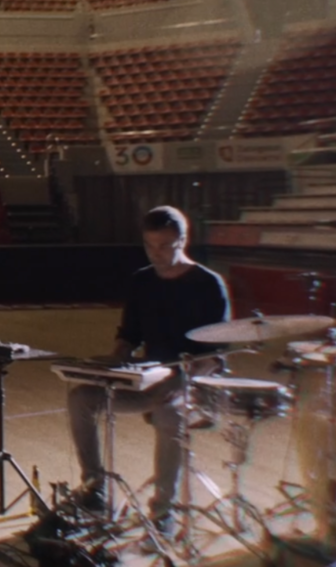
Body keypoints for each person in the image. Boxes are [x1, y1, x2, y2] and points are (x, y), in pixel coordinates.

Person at [65, 205, 231, 533]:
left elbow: (217, 356)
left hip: (197, 386)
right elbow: (129, 336)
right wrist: (112, 364)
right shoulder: (141, 281)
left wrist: (183, 382)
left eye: (165, 245)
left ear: (183, 240)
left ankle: (163, 512)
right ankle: (94, 488)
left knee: (170, 413)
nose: (156, 253)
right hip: (150, 380)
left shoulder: (209, 283)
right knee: (80, 398)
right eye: (149, 245)